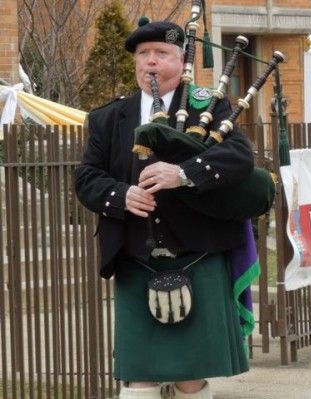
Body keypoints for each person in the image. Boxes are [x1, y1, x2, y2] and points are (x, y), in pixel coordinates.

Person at [75, 18, 255, 399]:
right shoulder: (109, 117)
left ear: (182, 61)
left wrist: (184, 173)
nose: (151, 62)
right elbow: (87, 178)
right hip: (134, 258)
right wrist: (120, 195)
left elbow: (240, 157)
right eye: (143, 54)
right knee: (139, 375)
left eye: (161, 53)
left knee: (191, 376)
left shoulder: (208, 106)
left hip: (196, 253)